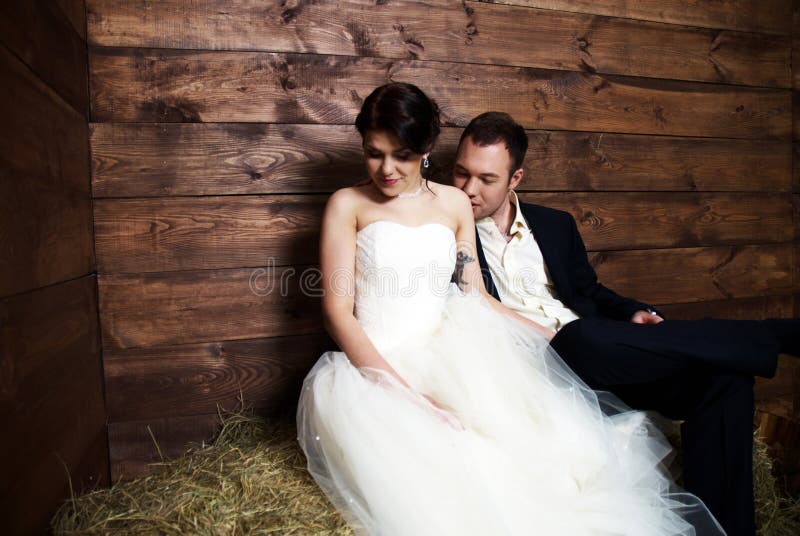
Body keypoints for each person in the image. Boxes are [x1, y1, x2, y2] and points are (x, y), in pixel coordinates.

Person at [296, 83, 726, 535]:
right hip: (375, 367)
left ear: (425, 150)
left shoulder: (454, 202)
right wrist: (411, 398)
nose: (386, 169)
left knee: (544, 464)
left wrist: (559, 339)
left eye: (401, 155)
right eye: (373, 153)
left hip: (449, 353)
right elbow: (338, 313)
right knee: (453, 477)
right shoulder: (347, 204)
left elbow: (474, 297)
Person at [452, 111, 800, 536]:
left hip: (602, 355)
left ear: (515, 179)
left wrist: (630, 312)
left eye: (486, 179)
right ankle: (773, 334)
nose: (469, 189)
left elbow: (590, 292)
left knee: (726, 382)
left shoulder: (555, 224)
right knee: (577, 336)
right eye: (461, 174)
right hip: (535, 366)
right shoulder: (447, 230)